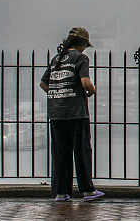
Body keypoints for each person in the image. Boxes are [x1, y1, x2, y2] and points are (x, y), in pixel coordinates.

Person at [40, 26, 104, 202]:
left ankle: (61, 193)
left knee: (61, 153)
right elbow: (85, 82)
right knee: (82, 151)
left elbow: (43, 83)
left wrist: (59, 93)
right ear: (82, 43)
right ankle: (88, 191)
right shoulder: (81, 58)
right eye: (86, 45)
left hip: (56, 112)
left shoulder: (56, 59)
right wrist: (93, 90)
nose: (85, 48)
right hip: (76, 112)